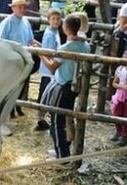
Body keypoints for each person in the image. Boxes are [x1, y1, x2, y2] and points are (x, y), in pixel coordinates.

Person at [38, 13, 92, 159]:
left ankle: (62, 155)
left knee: (57, 122)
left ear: (66, 28)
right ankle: (64, 149)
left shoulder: (65, 47)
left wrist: (40, 54)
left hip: (63, 86)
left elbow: (52, 67)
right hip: (75, 86)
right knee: (67, 118)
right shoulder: (85, 45)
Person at [0, 0, 33, 119]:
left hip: (24, 57)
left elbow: (30, 39)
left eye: (24, 7)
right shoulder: (7, 22)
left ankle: (18, 106)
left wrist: (40, 46)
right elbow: (1, 41)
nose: (22, 9)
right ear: (13, 8)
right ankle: (10, 109)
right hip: (12, 58)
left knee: (22, 84)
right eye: (19, 7)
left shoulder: (26, 22)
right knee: (12, 84)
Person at [34, 7, 65, 131]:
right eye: (53, 19)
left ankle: (41, 118)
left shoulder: (54, 31)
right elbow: (47, 52)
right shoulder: (50, 34)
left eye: (58, 19)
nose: (56, 21)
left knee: (46, 93)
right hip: (48, 70)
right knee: (44, 93)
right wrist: (51, 65)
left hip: (51, 68)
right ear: (48, 20)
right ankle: (40, 119)